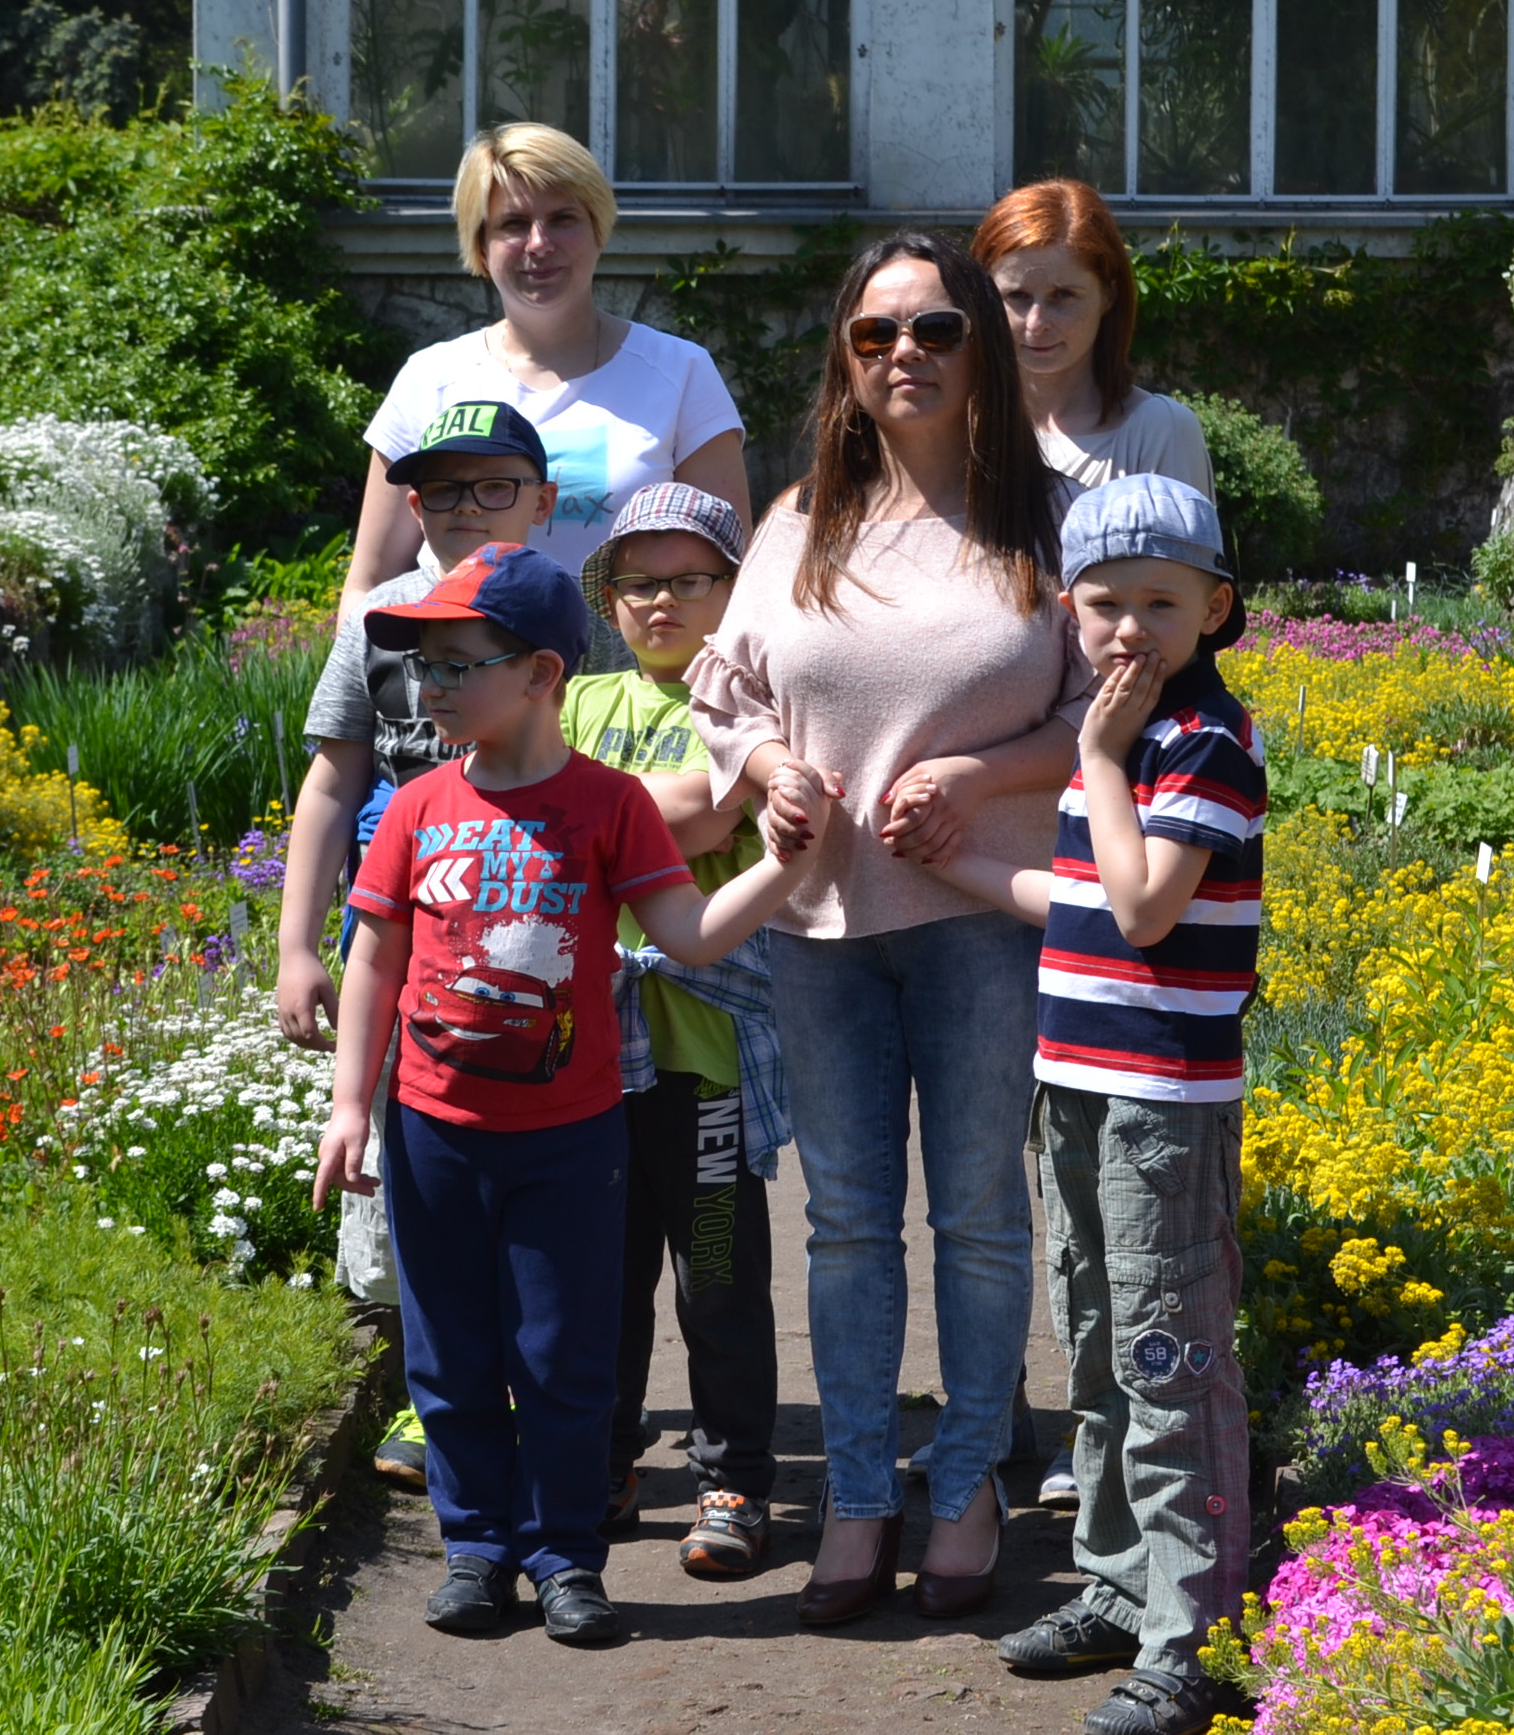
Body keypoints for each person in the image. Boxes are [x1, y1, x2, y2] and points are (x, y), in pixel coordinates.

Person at [308, 543, 838, 1651]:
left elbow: (687, 932)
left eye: (458, 664)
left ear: (542, 672)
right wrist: (352, 1105)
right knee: (451, 1355)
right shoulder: (414, 807)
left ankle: (562, 1558)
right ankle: (475, 1551)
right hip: (433, 1133)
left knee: (564, 1358)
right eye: (422, 667)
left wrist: (785, 866)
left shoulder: (608, 806)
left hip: (572, 1137)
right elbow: (376, 958)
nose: (430, 687)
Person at [684, 230, 1090, 1630]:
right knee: (848, 1225)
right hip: (821, 926)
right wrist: (766, 771)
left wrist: (978, 777)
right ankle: (859, 1496)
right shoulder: (801, 522)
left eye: (932, 328)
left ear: (981, 342)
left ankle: (967, 1483)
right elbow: (725, 690)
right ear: (845, 362)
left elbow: (1107, 706)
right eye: (873, 335)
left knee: (978, 1217)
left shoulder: (1049, 519)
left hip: (985, 919)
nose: (903, 353)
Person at [927, 473, 1262, 1735]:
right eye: (1105, 603)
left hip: (1162, 1104)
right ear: (1068, 608)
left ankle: (1196, 1633)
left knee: (1168, 1356)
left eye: (1160, 605)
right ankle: (1122, 1587)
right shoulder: (1122, 749)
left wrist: (1102, 758)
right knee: (1096, 1342)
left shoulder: (1202, 741)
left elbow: (1144, 907)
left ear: (1215, 608)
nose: (1130, 630)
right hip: (1076, 1084)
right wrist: (960, 860)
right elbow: (1081, 906)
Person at [277, 399, 560, 1489]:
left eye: (494, 486)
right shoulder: (380, 619)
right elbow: (332, 778)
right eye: (442, 489)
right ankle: (428, 1387)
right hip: (396, 925)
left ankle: (538, 1389)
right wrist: (298, 944)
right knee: (401, 1156)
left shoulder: (561, 614)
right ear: (412, 503)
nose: (466, 507)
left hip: (527, 920)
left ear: (541, 501)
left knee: (523, 1148)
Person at [562, 484, 786, 1580]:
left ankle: (734, 1474)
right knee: (598, 1279)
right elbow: (597, 815)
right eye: (637, 582)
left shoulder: (753, 707)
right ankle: (601, 1463)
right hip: (585, 1058)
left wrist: (606, 815)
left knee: (717, 1277)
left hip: (705, 1057)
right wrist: (671, 805)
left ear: (736, 591)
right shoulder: (572, 699)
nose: (661, 601)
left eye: (690, 579)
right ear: (608, 599)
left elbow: (711, 808)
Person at [341, 123, 751, 619]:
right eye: (513, 224)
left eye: (562, 219)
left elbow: (734, 580)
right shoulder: (429, 379)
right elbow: (370, 583)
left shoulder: (681, 373)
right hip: (456, 666)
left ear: (598, 230)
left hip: (634, 669)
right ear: (481, 245)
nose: (539, 243)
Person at [975, 179, 1215, 494]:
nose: (1036, 323)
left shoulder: (1160, 431)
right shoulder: (955, 428)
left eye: (1063, 295)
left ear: (1108, 294)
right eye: (1017, 296)